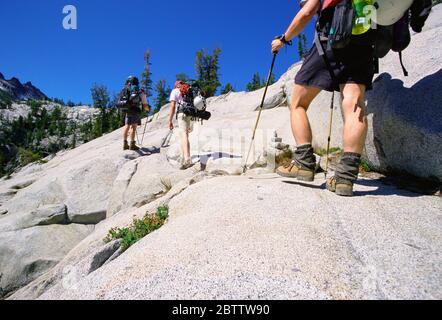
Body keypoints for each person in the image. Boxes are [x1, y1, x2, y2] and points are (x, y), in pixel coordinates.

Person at [271, 0, 376, 197]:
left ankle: (304, 163)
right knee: (354, 102)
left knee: (298, 103)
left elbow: (307, 13)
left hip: (331, 41)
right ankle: (345, 177)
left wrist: (283, 40)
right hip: (364, 43)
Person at [168, 80, 194, 170]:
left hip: (182, 113)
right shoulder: (189, 89)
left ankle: (187, 159)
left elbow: (172, 106)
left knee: (183, 135)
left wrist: (170, 120)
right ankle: (185, 156)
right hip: (190, 114)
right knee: (186, 135)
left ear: (176, 85)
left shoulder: (175, 91)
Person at [119, 76, 149, 151]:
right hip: (135, 110)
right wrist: (147, 109)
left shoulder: (124, 89)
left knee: (127, 126)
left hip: (127, 109)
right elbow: (144, 103)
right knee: (133, 127)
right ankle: (132, 144)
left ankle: (125, 144)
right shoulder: (139, 90)